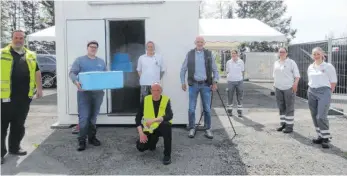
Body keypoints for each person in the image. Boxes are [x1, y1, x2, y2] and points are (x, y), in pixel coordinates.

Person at [1, 30, 43, 164]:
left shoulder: (30, 55)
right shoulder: (2, 53)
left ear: (24, 39)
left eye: (21, 38)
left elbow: (37, 71)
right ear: (11, 38)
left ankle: (14, 148)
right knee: (2, 126)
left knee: (18, 125)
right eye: (16, 38)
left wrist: (39, 88)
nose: (18, 40)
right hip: (5, 98)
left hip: (24, 98)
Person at [69, 40, 107, 151]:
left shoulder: (101, 61)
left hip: (98, 93)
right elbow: (72, 73)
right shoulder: (80, 60)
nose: (93, 49)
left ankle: (92, 137)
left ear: (97, 49)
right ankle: (81, 140)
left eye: (95, 47)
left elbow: (106, 75)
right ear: (87, 48)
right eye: (91, 47)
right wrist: (76, 81)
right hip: (84, 93)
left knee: (93, 117)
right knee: (84, 117)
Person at [180, 36, 219, 139]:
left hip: (206, 85)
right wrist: (182, 82)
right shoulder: (190, 54)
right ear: (195, 43)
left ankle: (207, 129)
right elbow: (183, 69)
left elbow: (215, 70)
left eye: (201, 42)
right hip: (194, 85)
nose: (200, 43)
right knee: (191, 108)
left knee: (207, 108)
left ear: (204, 43)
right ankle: (192, 128)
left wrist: (215, 82)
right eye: (198, 42)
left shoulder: (209, 54)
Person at [135, 83, 173, 165]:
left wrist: (154, 120)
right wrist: (141, 133)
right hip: (149, 129)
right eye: (153, 90)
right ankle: (153, 141)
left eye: (158, 90)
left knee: (167, 126)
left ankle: (167, 155)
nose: (155, 92)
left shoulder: (166, 100)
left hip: (161, 127)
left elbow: (170, 115)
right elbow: (138, 117)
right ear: (151, 91)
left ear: (161, 91)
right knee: (141, 147)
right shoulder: (146, 99)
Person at [307, 47, 337, 148]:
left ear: (322, 54)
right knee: (314, 115)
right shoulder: (310, 67)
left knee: (321, 116)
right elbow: (310, 79)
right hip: (311, 91)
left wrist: (329, 93)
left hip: (324, 91)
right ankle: (320, 135)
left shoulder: (328, 66)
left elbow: (333, 81)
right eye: (314, 54)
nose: (316, 56)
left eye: (318, 54)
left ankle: (326, 138)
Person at [273, 47, 300, 133]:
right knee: (281, 107)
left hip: (289, 88)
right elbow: (275, 75)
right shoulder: (276, 63)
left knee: (289, 107)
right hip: (278, 88)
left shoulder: (291, 62)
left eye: (283, 52)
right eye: (280, 52)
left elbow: (297, 76)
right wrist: (275, 85)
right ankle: (283, 124)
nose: (281, 53)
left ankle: (289, 127)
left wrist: (295, 84)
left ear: (287, 53)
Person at [226, 50, 245, 117]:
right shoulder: (228, 62)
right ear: (231, 54)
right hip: (230, 81)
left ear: (237, 54)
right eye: (232, 53)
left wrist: (240, 78)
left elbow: (242, 71)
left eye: (234, 53)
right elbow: (227, 71)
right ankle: (229, 111)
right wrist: (229, 78)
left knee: (239, 96)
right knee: (230, 96)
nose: (233, 54)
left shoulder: (241, 61)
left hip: (239, 81)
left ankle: (239, 112)